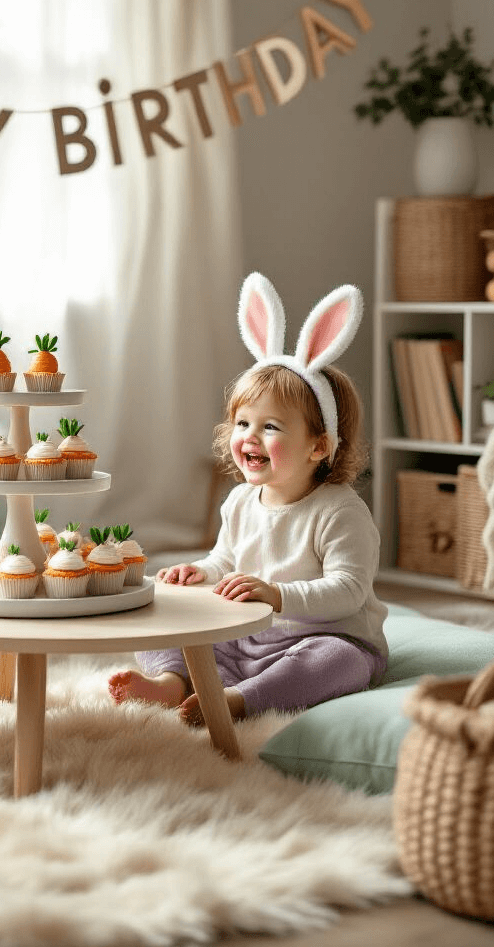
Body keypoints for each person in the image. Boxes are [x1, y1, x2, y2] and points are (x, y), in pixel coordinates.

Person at [109, 272, 388, 726]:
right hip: (245, 639)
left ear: (319, 446)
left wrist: (277, 595)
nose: (249, 437)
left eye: (270, 427)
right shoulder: (241, 500)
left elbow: (348, 592)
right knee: (156, 612)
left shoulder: (340, 512)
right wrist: (201, 571)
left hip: (319, 639)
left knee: (340, 662)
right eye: (243, 423)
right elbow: (226, 559)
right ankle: (172, 681)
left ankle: (242, 700)